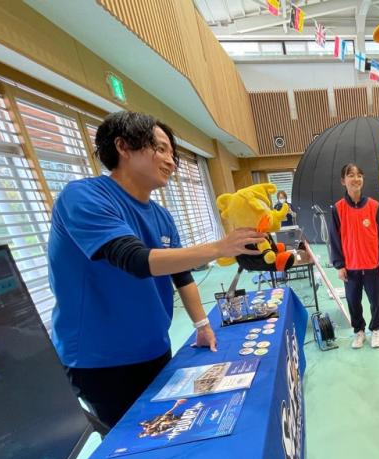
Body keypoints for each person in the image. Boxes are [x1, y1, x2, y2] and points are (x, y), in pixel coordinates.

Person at [48, 111, 264, 433]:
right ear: (123, 147)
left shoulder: (161, 215)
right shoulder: (84, 197)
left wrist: (202, 325)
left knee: (167, 429)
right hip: (101, 360)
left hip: (154, 346)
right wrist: (219, 247)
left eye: (172, 153)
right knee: (134, 442)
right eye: (160, 149)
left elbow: (182, 274)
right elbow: (134, 260)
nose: (171, 161)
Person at [328, 163, 379, 349]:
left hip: (371, 265)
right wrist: (339, 265)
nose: (356, 178)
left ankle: (376, 330)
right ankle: (359, 332)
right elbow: (334, 239)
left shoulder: (375, 206)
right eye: (351, 175)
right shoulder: (337, 209)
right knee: (354, 302)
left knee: (375, 301)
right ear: (343, 181)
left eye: (359, 175)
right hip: (350, 267)